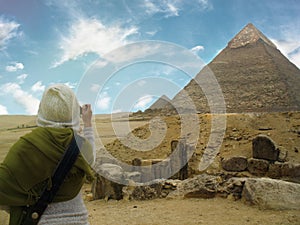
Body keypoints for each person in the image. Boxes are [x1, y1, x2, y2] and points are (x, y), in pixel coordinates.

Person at [0, 84, 96, 225]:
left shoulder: (26, 146)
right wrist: (87, 123)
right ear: (74, 111)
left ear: (42, 110)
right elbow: (91, 159)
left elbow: (4, 190)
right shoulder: (82, 145)